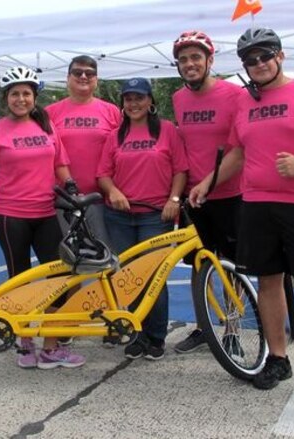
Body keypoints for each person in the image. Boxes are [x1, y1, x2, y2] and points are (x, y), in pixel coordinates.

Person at [197, 27, 294, 407]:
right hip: (256, 204)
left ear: (280, 56)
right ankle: (277, 359)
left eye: (265, 55)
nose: (259, 63)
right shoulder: (245, 104)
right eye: (251, 59)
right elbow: (238, 152)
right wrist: (207, 184)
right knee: (268, 283)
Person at [0, 66, 85, 370]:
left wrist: (71, 187)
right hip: (11, 215)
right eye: (15, 94)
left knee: (58, 277)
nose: (21, 99)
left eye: (26, 94)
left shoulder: (46, 127)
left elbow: (60, 164)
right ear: (7, 98)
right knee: (18, 280)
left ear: (34, 97)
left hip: (45, 212)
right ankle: (24, 344)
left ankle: (50, 346)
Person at [97, 77, 189, 361]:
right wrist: (113, 192)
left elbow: (180, 169)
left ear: (150, 101)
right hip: (121, 217)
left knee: (153, 279)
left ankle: (156, 337)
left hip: (155, 216)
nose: (134, 103)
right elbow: (102, 175)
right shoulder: (115, 135)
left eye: (139, 97)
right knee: (129, 279)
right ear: (123, 104)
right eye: (128, 99)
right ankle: (137, 333)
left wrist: (174, 200)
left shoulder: (167, 131)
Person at [170, 30, 245, 354]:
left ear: (210, 60)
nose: (190, 64)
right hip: (193, 199)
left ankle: (232, 329)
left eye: (196, 57)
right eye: (184, 59)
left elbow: (239, 150)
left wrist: (209, 182)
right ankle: (204, 327)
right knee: (199, 263)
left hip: (229, 194)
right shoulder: (178, 99)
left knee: (232, 265)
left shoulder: (235, 95)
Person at [46, 55, 121, 243]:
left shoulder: (112, 111)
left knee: (104, 257)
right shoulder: (50, 113)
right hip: (62, 201)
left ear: (96, 80)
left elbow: (122, 153)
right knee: (68, 261)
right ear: (68, 78)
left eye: (90, 73)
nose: (83, 77)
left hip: (101, 200)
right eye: (77, 72)